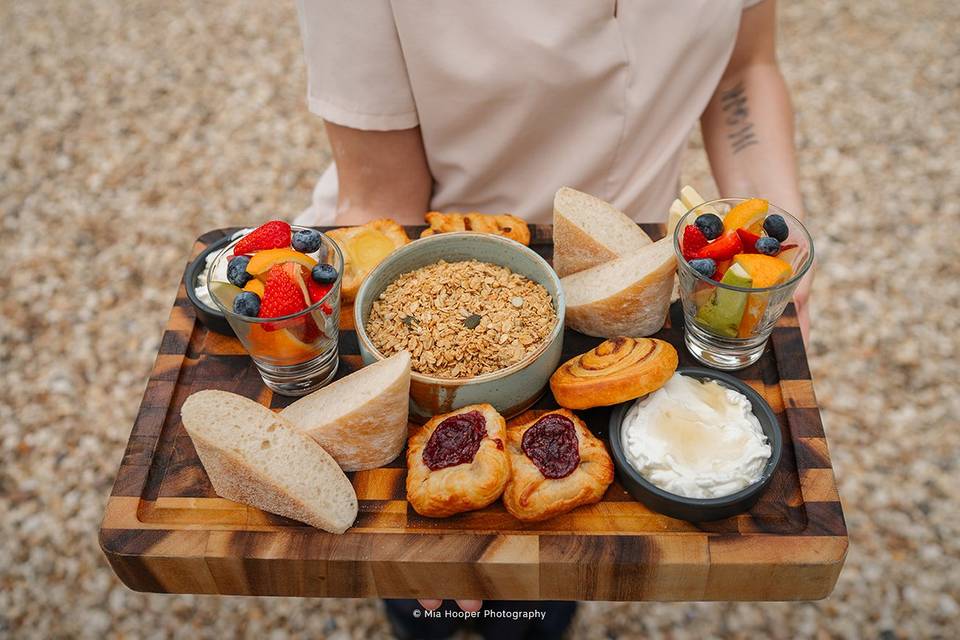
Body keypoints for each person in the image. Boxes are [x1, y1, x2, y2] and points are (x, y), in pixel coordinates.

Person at [294, 1, 809, 635]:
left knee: (535, 604)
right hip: (447, 286)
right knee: (431, 600)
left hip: (639, 289)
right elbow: (382, 202)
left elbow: (742, 70)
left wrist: (765, 241)